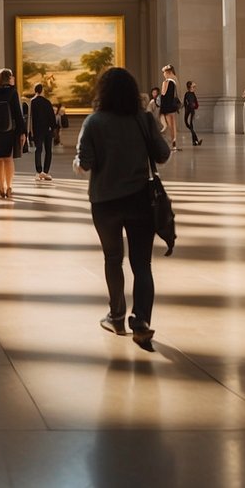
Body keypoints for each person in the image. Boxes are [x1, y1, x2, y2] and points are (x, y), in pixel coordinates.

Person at [74, 65, 170, 350]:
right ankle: (140, 321)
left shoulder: (93, 122)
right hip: (140, 200)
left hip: (104, 202)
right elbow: (162, 155)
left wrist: (78, 164)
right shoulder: (143, 119)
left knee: (112, 259)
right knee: (142, 264)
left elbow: (85, 162)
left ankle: (116, 316)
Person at [0, 68, 26, 199]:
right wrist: (22, 132)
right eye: (12, 77)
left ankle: (0, 188)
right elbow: (18, 115)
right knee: (8, 159)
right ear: (7, 79)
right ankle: (9, 187)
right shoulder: (13, 93)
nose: (13, 78)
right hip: (11, 131)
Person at [30, 83, 57, 181]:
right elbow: (51, 117)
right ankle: (45, 172)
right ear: (42, 91)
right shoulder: (47, 102)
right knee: (48, 151)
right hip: (47, 129)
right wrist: (53, 128)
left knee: (38, 150)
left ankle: (38, 171)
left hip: (37, 129)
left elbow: (31, 118)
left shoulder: (32, 102)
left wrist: (31, 132)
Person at [159, 64, 179, 150]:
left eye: (164, 72)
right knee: (173, 124)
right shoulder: (175, 82)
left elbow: (163, 94)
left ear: (168, 72)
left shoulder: (166, 82)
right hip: (173, 106)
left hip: (166, 105)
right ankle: (174, 142)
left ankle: (170, 142)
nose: (163, 74)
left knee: (168, 124)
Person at [183, 81, 202, 146]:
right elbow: (186, 102)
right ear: (190, 86)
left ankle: (195, 141)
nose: (194, 85)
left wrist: (194, 106)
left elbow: (194, 102)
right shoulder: (188, 94)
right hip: (189, 110)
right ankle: (195, 141)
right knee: (188, 124)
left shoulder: (191, 93)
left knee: (190, 125)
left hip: (190, 110)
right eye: (193, 84)